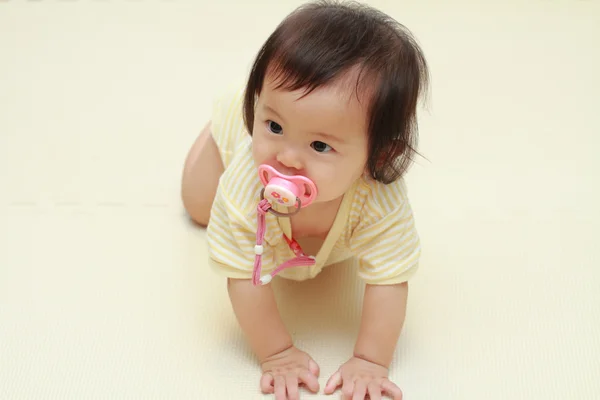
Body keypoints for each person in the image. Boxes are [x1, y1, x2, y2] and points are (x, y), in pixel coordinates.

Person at [181, 1, 429, 398]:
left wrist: (370, 360)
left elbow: (390, 279)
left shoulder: (380, 202)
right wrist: (276, 353)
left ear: (379, 157)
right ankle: (223, 122)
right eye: (274, 124)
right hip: (229, 145)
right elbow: (243, 275)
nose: (287, 157)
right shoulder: (246, 182)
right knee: (196, 210)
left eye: (319, 145)